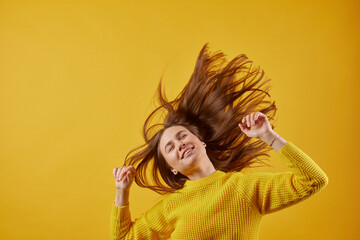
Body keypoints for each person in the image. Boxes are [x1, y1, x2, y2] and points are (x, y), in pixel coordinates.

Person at [110, 43, 329, 240]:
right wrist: (122, 191)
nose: (180, 144)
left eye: (182, 136)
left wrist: (269, 137)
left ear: (201, 141)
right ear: (172, 168)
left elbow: (314, 181)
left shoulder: (244, 188)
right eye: (170, 147)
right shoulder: (170, 206)